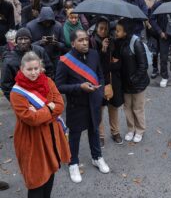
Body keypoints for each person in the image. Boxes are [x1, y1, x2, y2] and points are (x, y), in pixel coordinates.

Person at [10, 52, 70, 198]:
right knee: (36, 180)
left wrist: (40, 112)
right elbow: (31, 119)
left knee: (50, 172)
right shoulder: (16, 93)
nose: (33, 72)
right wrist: (49, 108)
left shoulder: (48, 81)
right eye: (29, 69)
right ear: (21, 69)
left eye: (36, 68)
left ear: (41, 67)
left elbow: (60, 105)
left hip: (51, 136)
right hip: (31, 140)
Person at [55, 29, 110, 183]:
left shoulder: (94, 54)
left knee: (94, 130)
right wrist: (79, 87)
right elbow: (59, 86)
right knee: (75, 135)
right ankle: (73, 163)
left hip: (94, 101)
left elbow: (100, 74)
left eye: (86, 39)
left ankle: (97, 157)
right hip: (76, 104)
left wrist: (99, 92)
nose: (85, 42)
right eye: (80, 40)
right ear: (73, 43)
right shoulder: (65, 61)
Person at [112, 19, 149, 143]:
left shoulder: (136, 42)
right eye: (116, 30)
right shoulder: (118, 42)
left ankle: (140, 130)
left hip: (137, 83)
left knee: (138, 108)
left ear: (125, 31)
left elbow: (143, 65)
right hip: (125, 82)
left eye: (118, 30)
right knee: (127, 107)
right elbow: (117, 60)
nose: (116, 33)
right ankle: (131, 129)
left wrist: (134, 79)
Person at [90, 18, 123, 147]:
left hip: (112, 79)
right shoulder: (91, 42)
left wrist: (112, 62)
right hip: (99, 79)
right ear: (96, 29)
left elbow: (118, 61)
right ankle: (101, 135)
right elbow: (95, 63)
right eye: (100, 28)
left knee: (113, 106)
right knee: (100, 107)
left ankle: (115, 132)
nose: (103, 31)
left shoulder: (113, 40)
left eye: (105, 28)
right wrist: (103, 50)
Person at [1, 28, 53, 100]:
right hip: (22, 97)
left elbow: (49, 71)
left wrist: (48, 90)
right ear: (16, 41)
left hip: (43, 94)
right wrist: (15, 101)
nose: (23, 42)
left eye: (26, 39)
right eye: (20, 39)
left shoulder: (40, 51)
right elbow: (6, 85)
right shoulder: (9, 59)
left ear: (30, 40)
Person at [26, 7, 65, 71]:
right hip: (38, 59)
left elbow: (63, 45)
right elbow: (28, 46)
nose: (47, 24)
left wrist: (56, 43)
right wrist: (40, 42)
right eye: (45, 22)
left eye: (50, 22)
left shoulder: (58, 26)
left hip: (54, 59)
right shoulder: (30, 26)